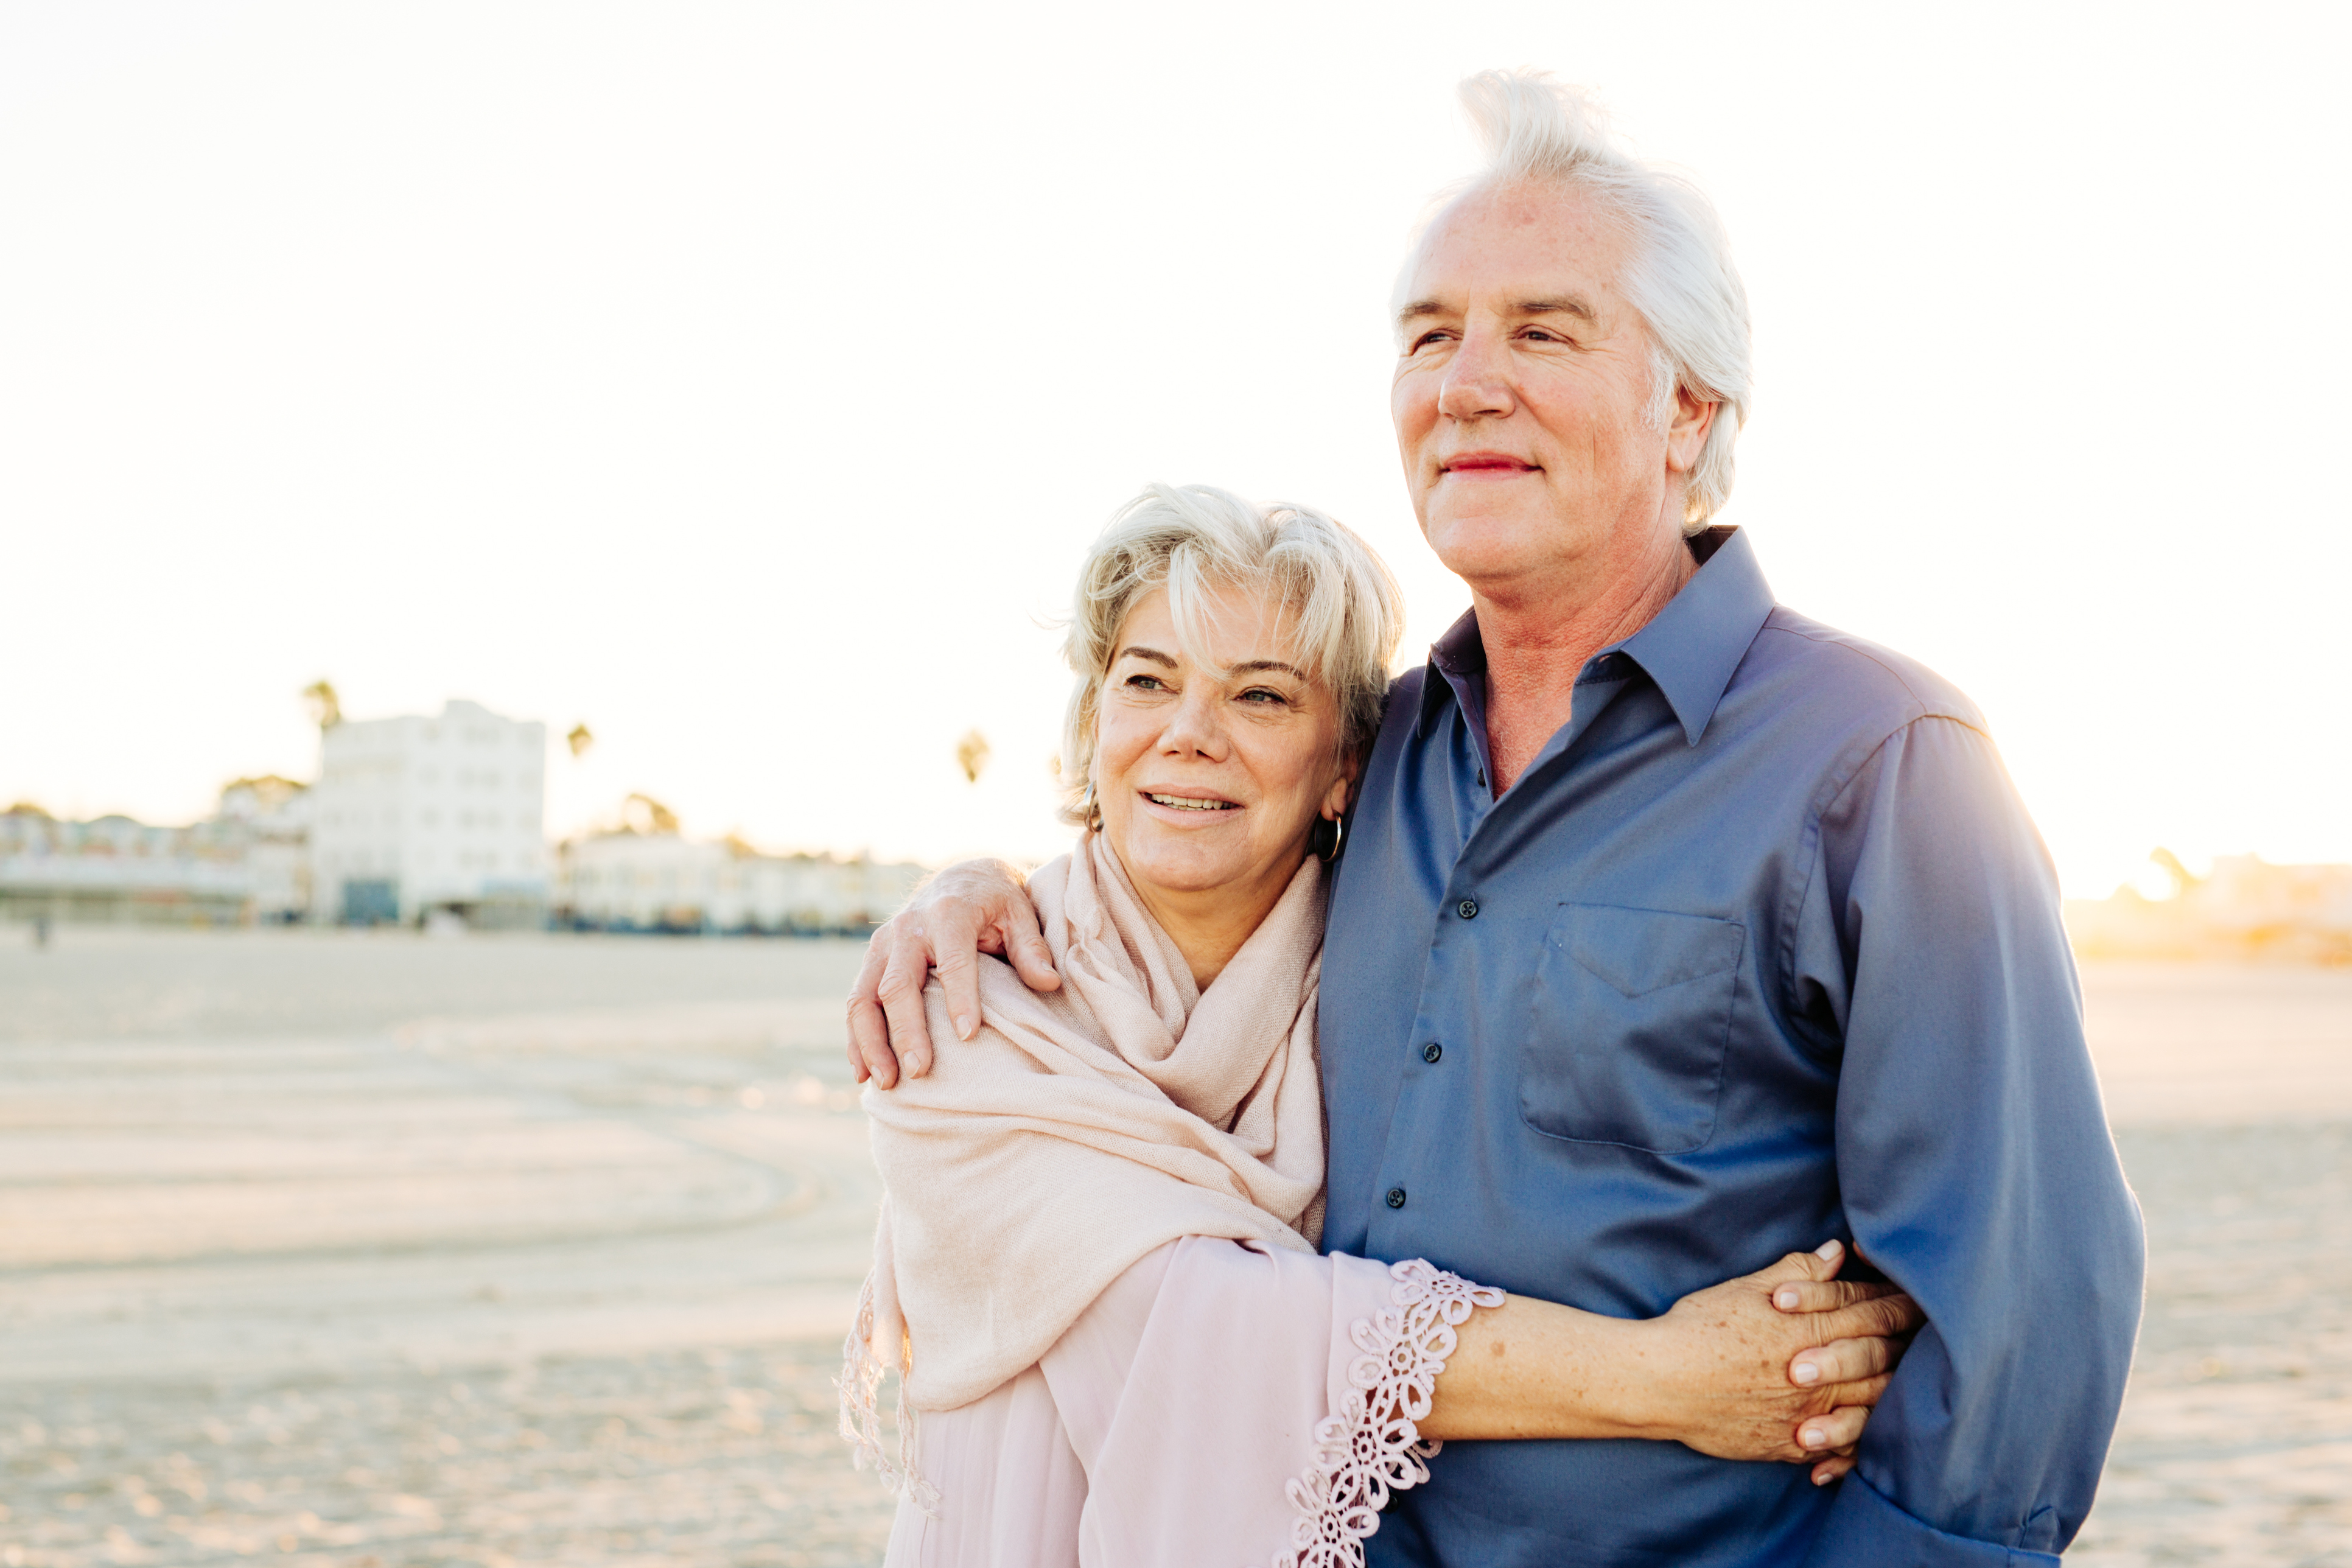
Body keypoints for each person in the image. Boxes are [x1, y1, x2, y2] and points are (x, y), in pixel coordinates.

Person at [849, 72, 2146, 1567]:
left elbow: (2025, 1317)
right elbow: (1163, 880)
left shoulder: (1886, 759)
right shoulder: (1369, 751)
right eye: (1428, 335)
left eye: (1542, 328)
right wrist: (968, 886)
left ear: (1690, 410)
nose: (1465, 381)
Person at [841, 484, 1923, 1568]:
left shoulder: (1380, 972)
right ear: (1093, 725)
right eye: (1147, 681)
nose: (1188, 735)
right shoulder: (958, 1014)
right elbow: (1202, 1326)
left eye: (1260, 697)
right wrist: (1670, 1379)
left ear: (1343, 769)